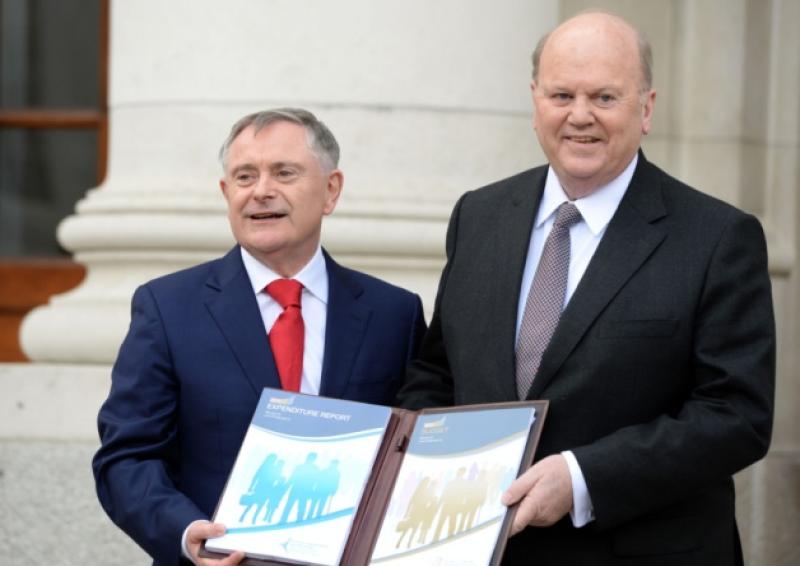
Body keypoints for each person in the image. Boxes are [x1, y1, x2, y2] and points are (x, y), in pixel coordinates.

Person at [396, 11, 774, 565]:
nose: (580, 116)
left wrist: (581, 479)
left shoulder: (718, 238)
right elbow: (438, 372)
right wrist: (413, 464)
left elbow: (736, 415)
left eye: (604, 97)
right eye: (561, 95)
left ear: (645, 108)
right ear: (534, 101)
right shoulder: (478, 215)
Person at [93, 108, 426, 566]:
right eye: (245, 176)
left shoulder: (394, 313)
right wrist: (187, 533)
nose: (262, 191)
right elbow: (126, 458)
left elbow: (414, 452)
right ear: (226, 193)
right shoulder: (167, 308)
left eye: (284, 172)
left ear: (331, 190)